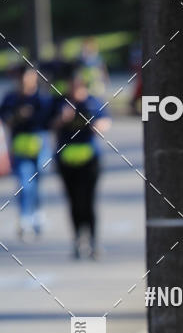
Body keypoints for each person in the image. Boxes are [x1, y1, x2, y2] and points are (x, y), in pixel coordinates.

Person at [52, 73, 110, 258]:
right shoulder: (61, 103)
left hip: (89, 160)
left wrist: (95, 124)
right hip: (67, 160)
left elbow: (105, 123)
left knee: (89, 201)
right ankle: (77, 240)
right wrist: (63, 119)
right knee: (74, 202)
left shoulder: (93, 102)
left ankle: (93, 241)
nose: (75, 90)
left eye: (79, 86)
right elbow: (49, 124)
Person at [0, 65, 52, 239]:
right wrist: (17, 116)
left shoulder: (42, 98)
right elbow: (5, 119)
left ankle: (37, 212)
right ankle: (24, 219)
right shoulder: (11, 98)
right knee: (25, 182)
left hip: (39, 145)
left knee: (37, 181)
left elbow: (49, 120)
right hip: (20, 147)